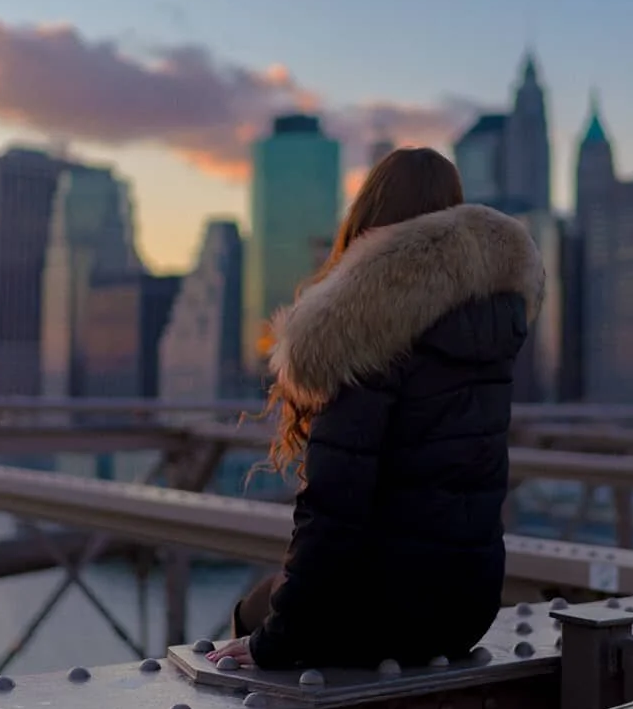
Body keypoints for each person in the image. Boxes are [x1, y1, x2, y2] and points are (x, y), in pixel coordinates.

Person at [208, 147, 544, 672]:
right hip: (468, 609)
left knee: (254, 610)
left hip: (383, 611)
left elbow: (334, 510)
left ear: (369, 219)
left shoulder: (363, 325)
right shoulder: (490, 326)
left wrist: (272, 641)